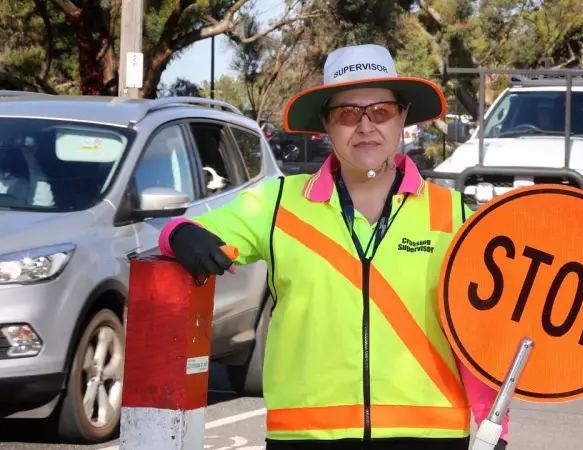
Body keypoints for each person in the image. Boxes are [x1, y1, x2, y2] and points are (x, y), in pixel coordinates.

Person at [157, 43, 510, 450]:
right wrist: (182, 236)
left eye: (380, 112)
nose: (365, 126)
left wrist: (494, 426)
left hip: (430, 436)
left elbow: (483, 336)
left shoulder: (456, 215)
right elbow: (181, 229)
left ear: (402, 118)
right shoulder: (277, 204)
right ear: (326, 124)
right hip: (306, 437)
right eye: (347, 113)